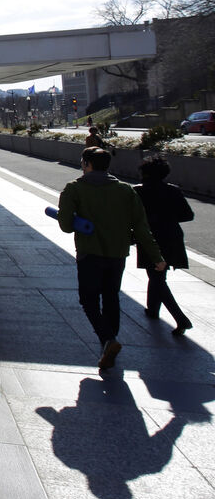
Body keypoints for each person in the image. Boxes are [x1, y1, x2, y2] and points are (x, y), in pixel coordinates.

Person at [58, 146, 167, 369]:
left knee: (88, 300)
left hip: (89, 254)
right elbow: (141, 227)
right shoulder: (126, 191)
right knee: (111, 297)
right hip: (118, 254)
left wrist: (78, 219)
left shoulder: (74, 189)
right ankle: (110, 341)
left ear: (87, 164)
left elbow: (66, 226)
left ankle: (108, 339)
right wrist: (157, 257)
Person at [133, 156, 195, 335]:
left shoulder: (139, 191)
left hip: (150, 238)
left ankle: (181, 318)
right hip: (172, 237)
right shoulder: (173, 191)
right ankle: (152, 309)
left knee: (156, 277)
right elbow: (187, 215)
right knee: (159, 275)